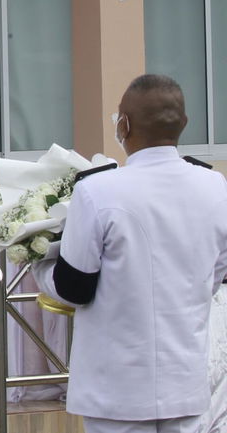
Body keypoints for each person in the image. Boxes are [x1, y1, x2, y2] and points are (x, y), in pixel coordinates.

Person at [32, 74, 227, 433]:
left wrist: (37, 260)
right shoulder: (215, 187)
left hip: (116, 389)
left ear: (124, 124)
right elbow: (215, 275)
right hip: (184, 384)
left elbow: (75, 288)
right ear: (184, 123)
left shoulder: (98, 190)